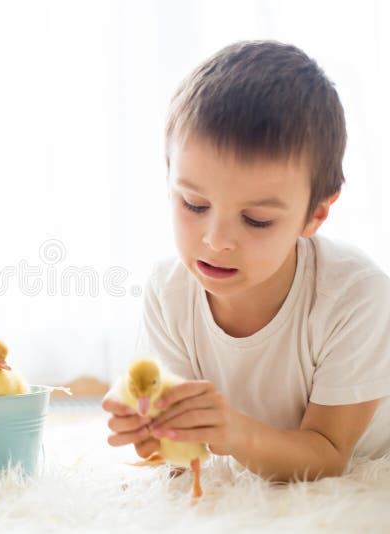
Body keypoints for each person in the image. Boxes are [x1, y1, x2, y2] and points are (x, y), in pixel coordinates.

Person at [103, 41, 390, 481]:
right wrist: (153, 428)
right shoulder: (169, 291)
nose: (216, 241)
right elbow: (182, 449)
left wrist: (233, 431)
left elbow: (330, 457)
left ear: (315, 215)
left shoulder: (355, 295)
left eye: (256, 220)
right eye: (194, 204)